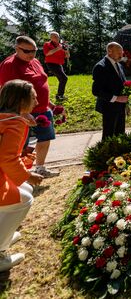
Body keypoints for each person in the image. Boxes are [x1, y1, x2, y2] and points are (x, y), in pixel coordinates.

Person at [0, 36, 60, 177]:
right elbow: (9, 92)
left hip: (42, 108)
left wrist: (50, 104)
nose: (31, 55)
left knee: (45, 138)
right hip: (23, 111)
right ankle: (18, 174)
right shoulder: (9, 65)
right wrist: (23, 113)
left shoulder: (35, 61)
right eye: (27, 51)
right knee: (20, 144)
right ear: (17, 48)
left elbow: (41, 85)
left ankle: (40, 168)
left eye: (34, 51)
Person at [0, 79, 43, 272]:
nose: (37, 100)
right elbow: (7, 159)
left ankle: (5, 232)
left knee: (24, 190)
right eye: (33, 97)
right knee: (24, 199)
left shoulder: (6, 118)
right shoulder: (14, 123)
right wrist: (29, 175)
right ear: (21, 100)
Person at [92, 42, 129, 141]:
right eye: (119, 53)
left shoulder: (119, 65)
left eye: (122, 53)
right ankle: (107, 155)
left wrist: (126, 104)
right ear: (110, 51)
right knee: (109, 136)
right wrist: (116, 98)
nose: (122, 55)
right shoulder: (101, 66)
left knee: (120, 134)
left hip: (120, 107)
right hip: (109, 107)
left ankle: (120, 155)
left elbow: (122, 85)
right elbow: (96, 91)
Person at [43, 31, 69, 100]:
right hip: (51, 64)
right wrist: (58, 48)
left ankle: (59, 95)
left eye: (57, 36)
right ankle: (59, 95)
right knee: (64, 78)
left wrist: (66, 50)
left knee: (62, 79)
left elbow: (67, 56)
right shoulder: (47, 44)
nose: (56, 38)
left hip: (59, 64)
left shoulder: (61, 45)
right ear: (51, 38)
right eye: (54, 37)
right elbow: (47, 54)